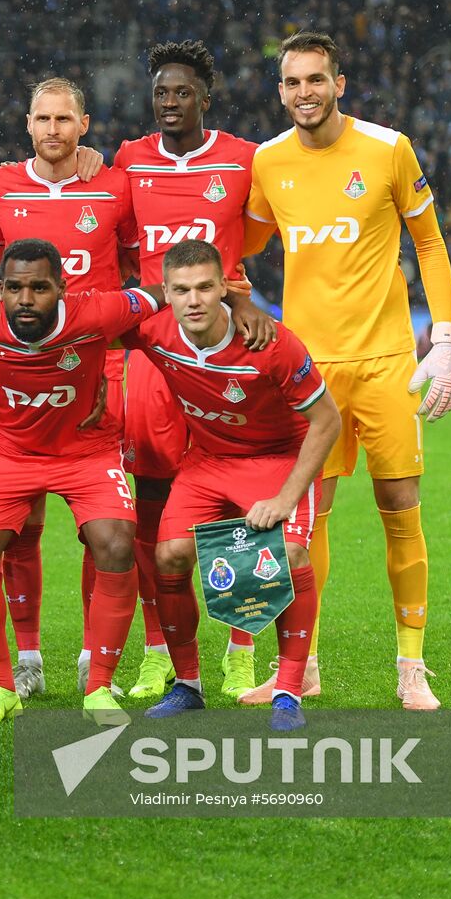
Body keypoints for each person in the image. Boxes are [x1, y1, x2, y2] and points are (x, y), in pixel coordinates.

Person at [243, 32, 451, 710]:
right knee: (307, 524)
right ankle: (301, 668)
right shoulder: (266, 162)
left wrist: (445, 337)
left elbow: (428, 239)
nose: (304, 92)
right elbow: (238, 244)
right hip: (309, 373)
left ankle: (411, 666)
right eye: (292, 82)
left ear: (340, 83)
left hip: (388, 362)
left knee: (400, 508)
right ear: (280, 91)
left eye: (316, 79)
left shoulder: (388, 148)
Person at [0, 239, 169, 727]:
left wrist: (237, 298)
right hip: (12, 453)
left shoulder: (98, 312)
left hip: (86, 452)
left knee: (117, 543)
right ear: (0, 289)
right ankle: (1, 686)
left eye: (39, 287)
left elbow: (164, 292)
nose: (25, 299)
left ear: (62, 289)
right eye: (14, 287)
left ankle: (100, 686)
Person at [124, 240, 340, 730]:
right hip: (209, 461)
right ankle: (188, 686)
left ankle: (288, 690)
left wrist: (286, 498)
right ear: (166, 293)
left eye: (205, 287)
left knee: (290, 551)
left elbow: (328, 422)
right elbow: (89, 330)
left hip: (277, 460)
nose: (194, 300)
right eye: (181, 290)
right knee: (168, 555)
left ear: (225, 287)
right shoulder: (153, 330)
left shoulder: (271, 341)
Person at [115, 39, 271, 700]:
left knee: (236, 506)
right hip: (154, 357)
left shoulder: (243, 160)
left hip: (224, 354)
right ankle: (158, 650)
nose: (169, 103)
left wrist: (239, 290)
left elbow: (259, 232)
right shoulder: (128, 160)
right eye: (160, 93)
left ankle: (241, 648)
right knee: (150, 510)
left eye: (181, 92)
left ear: (206, 98)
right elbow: (112, 239)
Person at [0, 77, 140, 700]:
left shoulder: (115, 184)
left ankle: (89, 656)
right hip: (18, 375)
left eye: (64, 119)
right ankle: (26, 656)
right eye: (42, 118)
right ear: (27, 124)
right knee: (20, 526)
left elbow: (136, 264)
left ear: (85, 124)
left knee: (101, 528)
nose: (52, 129)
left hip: (97, 373)